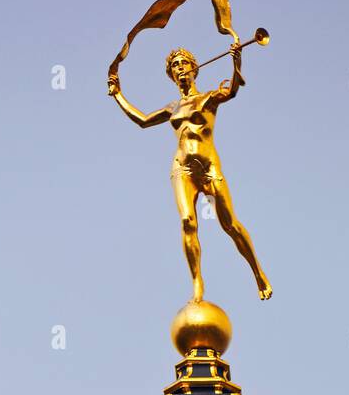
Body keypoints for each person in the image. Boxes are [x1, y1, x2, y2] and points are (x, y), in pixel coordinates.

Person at [108, 42, 271, 302]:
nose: (179, 68)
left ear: (194, 69)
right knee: (188, 222)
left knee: (229, 224)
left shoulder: (207, 97)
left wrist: (236, 61)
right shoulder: (172, 107)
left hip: (208, 167)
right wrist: (118, 94)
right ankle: (197, 284)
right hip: (182, 168)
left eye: (183, 63)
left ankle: (258, 272)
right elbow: (142, 120)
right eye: (175, 66)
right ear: (171, 75)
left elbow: (232, 91)